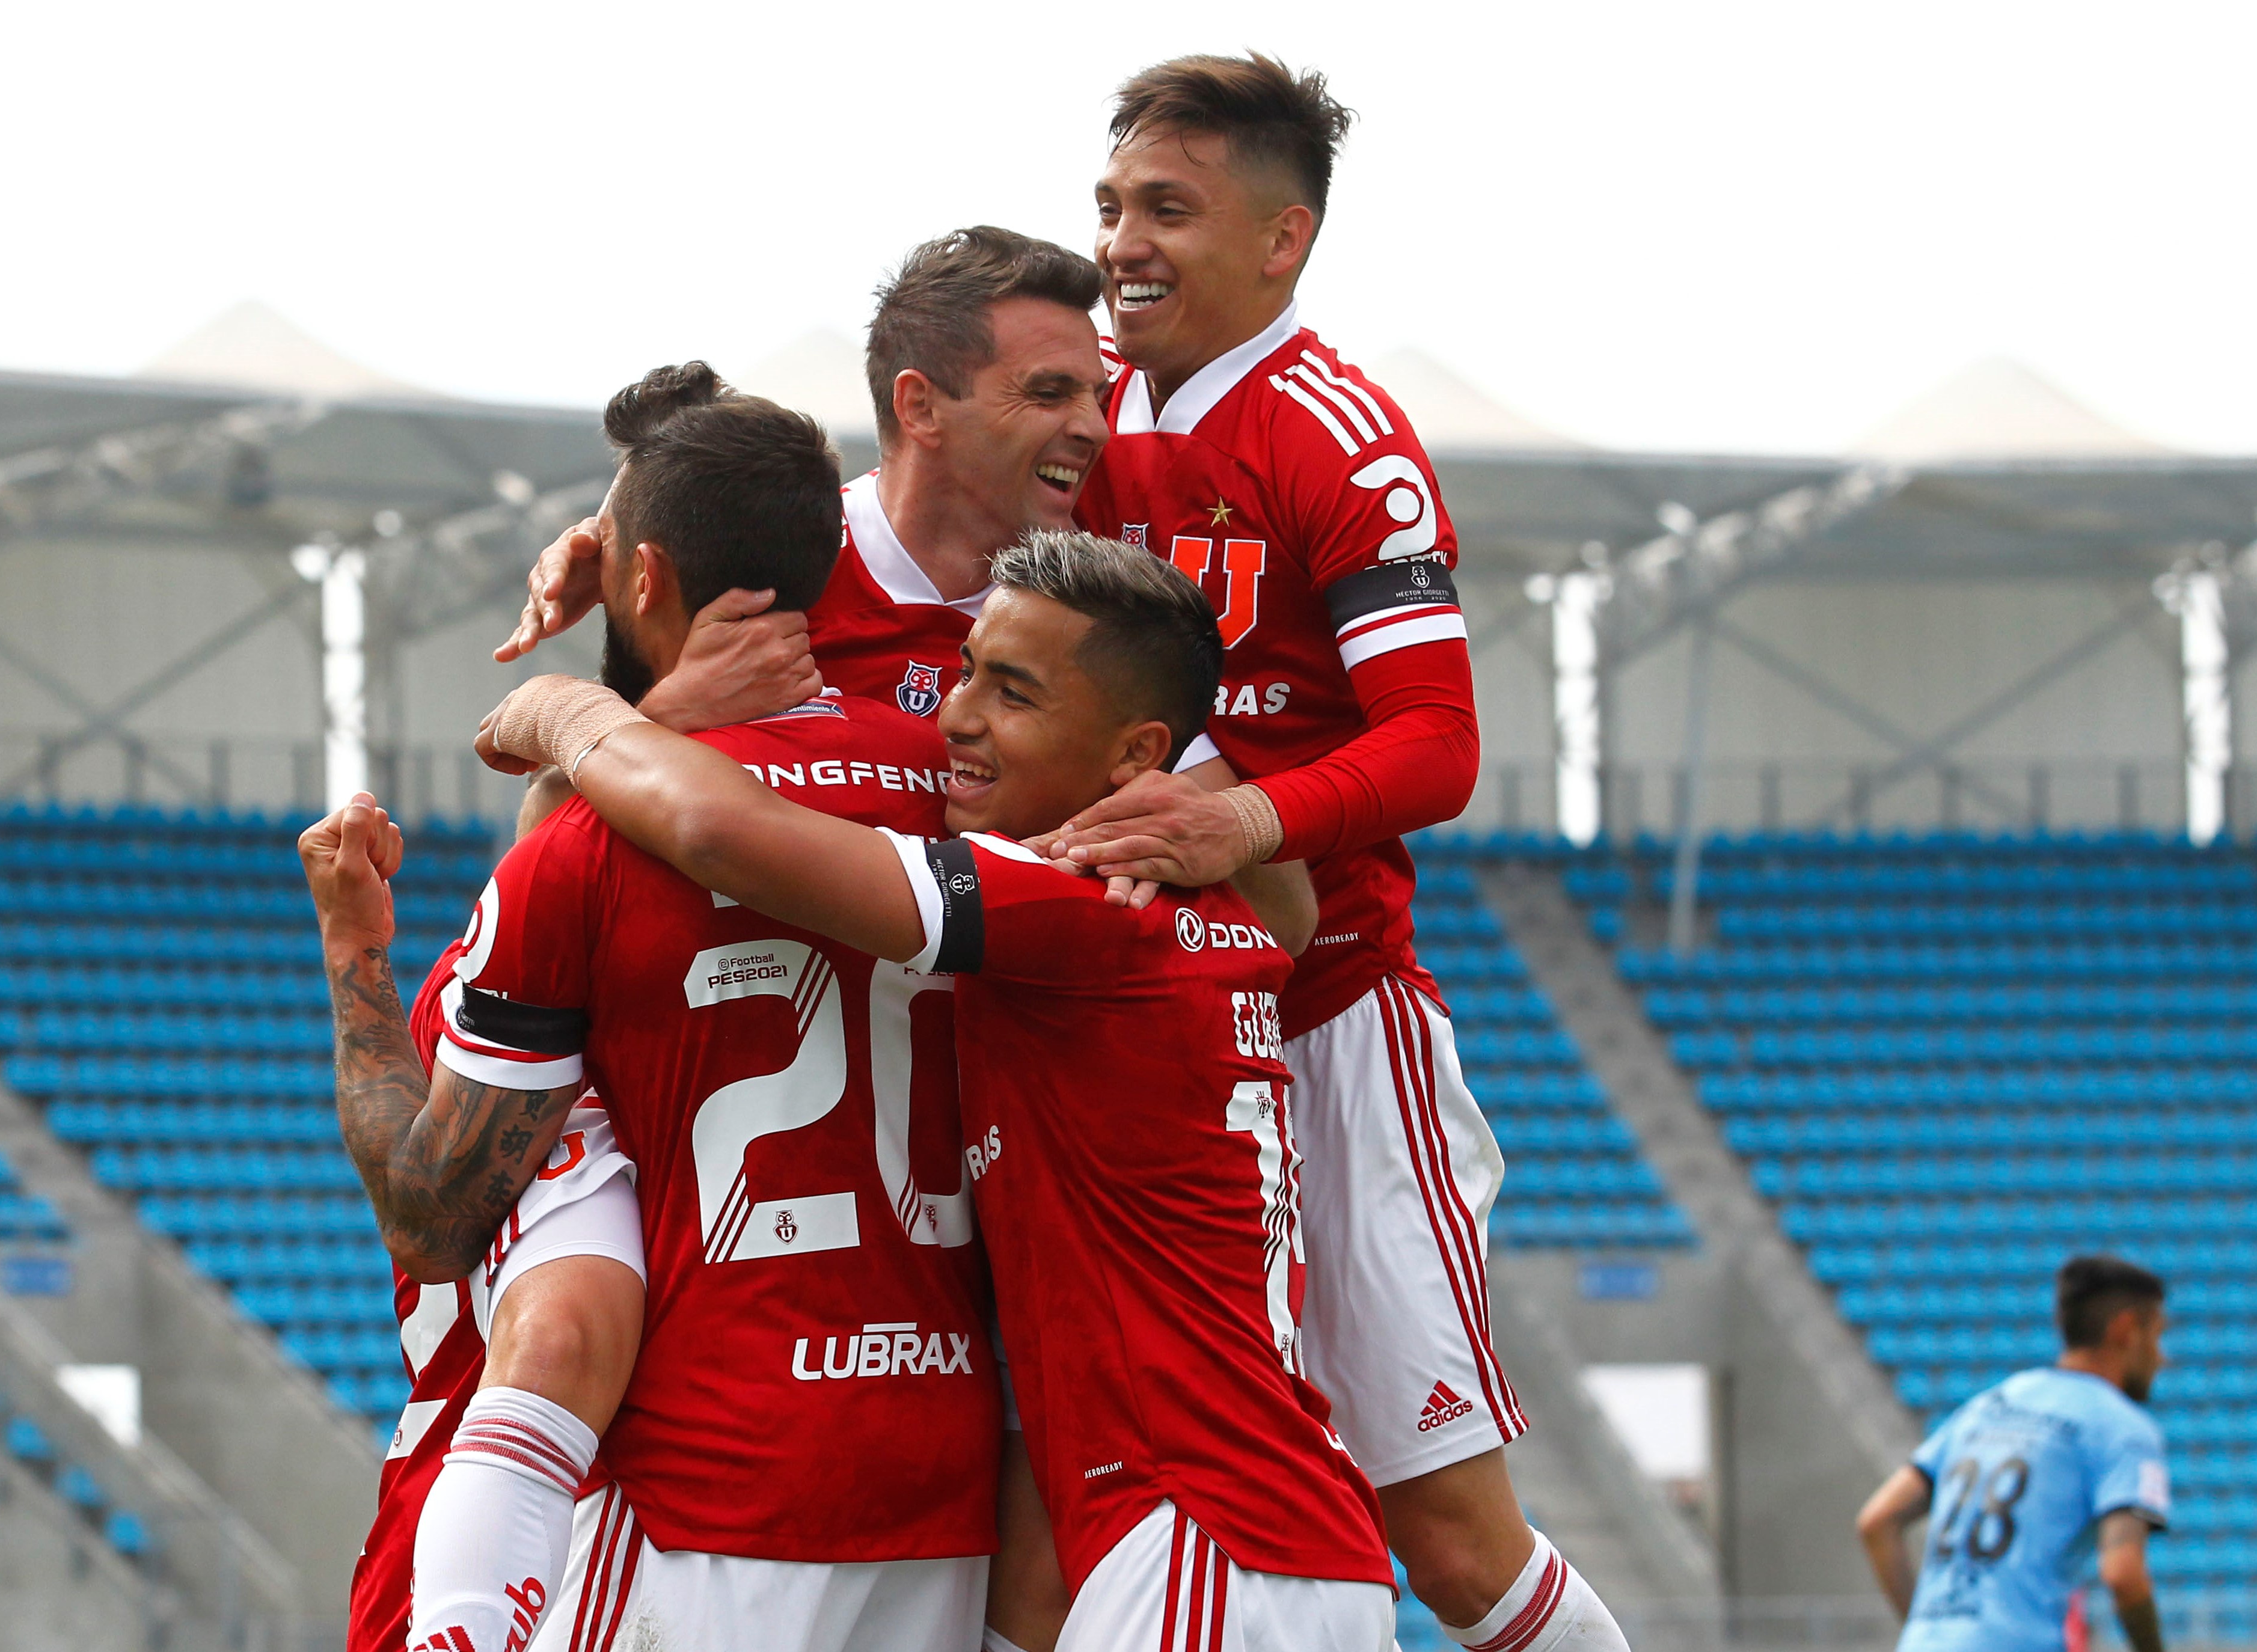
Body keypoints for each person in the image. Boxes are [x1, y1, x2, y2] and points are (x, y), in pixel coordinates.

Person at [473, 531, 1396, 1651]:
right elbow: (1287, 907)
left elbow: (721, 829)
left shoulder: (1076, 901)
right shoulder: (1210, 907)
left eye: (1010, 693)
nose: (955, 715)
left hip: (1209, 1541)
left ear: (1134, 755)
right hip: (1232, 1538)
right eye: (963, 669)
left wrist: (568, 712)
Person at [1032, 54, 1629, 1650]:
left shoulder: (1337, 437)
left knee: (1444, 1538)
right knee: (1045, 1493)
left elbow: (1437, 740)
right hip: (1126, 1032)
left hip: (1328, 1027)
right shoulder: (1085, 405)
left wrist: (1240, 817)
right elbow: (902, 503)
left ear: (1282, 238)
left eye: (1167, 207)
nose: (1121, 242)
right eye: (1108, 206)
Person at [310, 364, 999, 1652]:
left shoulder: (580, 853)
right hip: (946, 1496)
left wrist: (355, 955)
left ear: (639, 578)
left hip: (704, 1489)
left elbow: (434, 1212)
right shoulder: (972, 796)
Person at [495, 225, 1109, 711]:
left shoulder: (1108, 607)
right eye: (1047, 393)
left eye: (1098, 399)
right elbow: (563, 820)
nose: (1094, 429)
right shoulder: (759, 561)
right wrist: (648, 720)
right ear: (918, 407)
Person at [1855, 1256, 2173, 1652]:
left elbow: (1877, 1521)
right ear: (2126, 1330)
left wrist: (1925, 1631)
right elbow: (2122, 1574)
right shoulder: (2122, 1427)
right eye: (2158, 1335)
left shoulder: (1987, 1406)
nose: (2163, 1357)